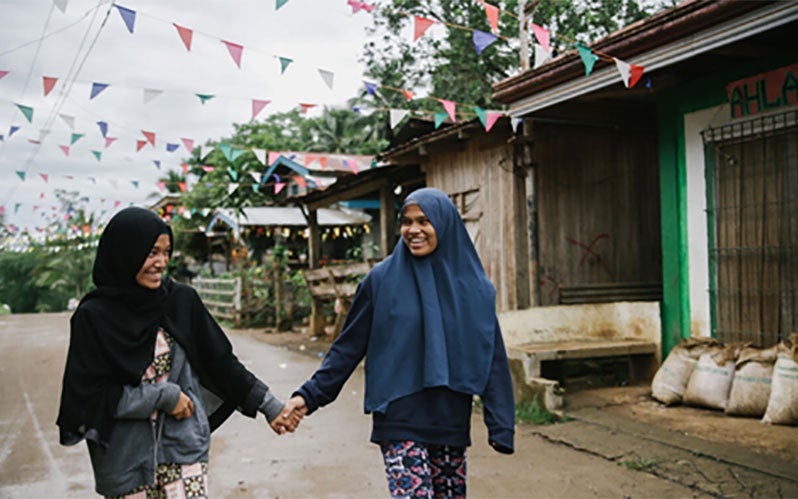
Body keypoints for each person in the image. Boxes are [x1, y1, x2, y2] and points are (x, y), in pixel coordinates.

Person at [284, 187, 515, 498]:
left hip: (450, 419)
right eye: (407, 222)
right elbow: (348, 348)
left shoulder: (474, 289)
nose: (414, 230)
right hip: (398, 416)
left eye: (424, 221)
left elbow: (492, 356)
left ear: (444, 225)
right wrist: (309, 396)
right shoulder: (380, 281)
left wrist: (501, 424)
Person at [56, 206, 301, 498]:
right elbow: (91, 398)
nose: (161, 262)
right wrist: (165, 396)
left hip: (184, 450)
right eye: (151, 253)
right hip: (124, 463)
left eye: (166, 252)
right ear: (125, 253)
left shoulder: (180, 301)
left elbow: (221, 363)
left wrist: (270, 406)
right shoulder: (93, 317)